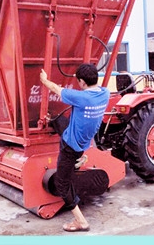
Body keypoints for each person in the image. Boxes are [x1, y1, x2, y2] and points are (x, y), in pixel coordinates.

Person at [40, 63, 110, 232]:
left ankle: (81, 221)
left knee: (61, 183)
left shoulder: (81, 98)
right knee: (59, 120)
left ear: (82, 82)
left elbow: (55, 89)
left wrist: (44, 80)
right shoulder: (105, 93)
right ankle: (79, 158)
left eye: (79, 82)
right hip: (83, 140)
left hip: (70, 146)